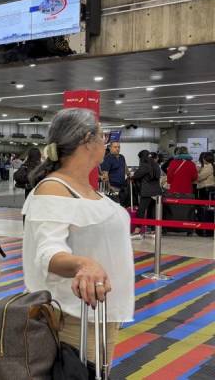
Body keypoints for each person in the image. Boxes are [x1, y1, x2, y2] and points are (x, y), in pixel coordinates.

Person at [22, 108, 134, 366]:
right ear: (87, 140)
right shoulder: (53, 189)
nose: (104, 141)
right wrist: (83, 265)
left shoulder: (84, 188)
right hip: (73, 319)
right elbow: (47, 253)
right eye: (101, 134)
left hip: (100, 316)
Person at [131, 150, 162, 234]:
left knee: (141, 210)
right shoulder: (156, 164)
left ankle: (138, 229)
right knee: (152, 210)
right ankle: (152, 229)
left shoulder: (144, 165)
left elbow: (137, 175)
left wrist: (132, 177)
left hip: (147, 191)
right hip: (157, 191)